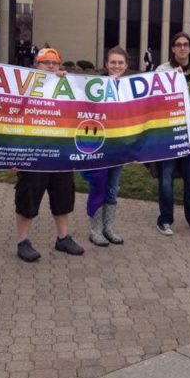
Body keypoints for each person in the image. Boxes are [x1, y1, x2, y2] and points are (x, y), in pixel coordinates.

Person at [15, 47, 85, 261]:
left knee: (63, 196)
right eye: (46, 63)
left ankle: (62, 238)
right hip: (33, 153)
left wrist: (67, 81)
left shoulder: (66, 86)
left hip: (60, 153)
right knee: (27, 198)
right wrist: (14, 155)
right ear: (37, 65)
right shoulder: (23, 86)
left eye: (55, 63)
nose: (51, 67)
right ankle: (22, 242)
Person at [155, 32, 190, 236]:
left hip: (188, 137)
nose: (181, 48)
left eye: (185, 45)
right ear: (172, 48)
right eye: (178, 45)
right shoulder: (162, 71)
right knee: (166, 180)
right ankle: (165, 219)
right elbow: (154, 103)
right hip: (168, 136)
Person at [81, 46, 130, 246]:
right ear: (106, 64)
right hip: (98, 145)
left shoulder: (130, 87)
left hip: (118, 147)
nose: (116, 66)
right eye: (113, 62)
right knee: (98, 185)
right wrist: (60, 76)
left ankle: (108, 228)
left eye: (120, 63)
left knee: (112, 188)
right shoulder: (94, 85)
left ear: (126, 66)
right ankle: (95, 230)